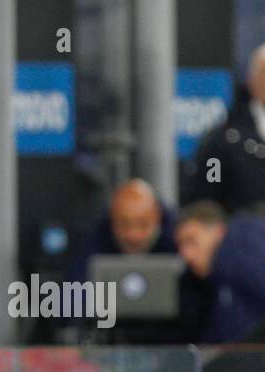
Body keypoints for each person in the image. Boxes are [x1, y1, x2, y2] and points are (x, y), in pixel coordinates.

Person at [69, 179, 211, 342]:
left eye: (142, 224)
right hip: (111, 342)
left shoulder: (180, 238)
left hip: (173, 341)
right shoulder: (93, 240)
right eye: (124, 224)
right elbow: (74, 298)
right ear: (112, 220)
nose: (133, 234)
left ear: (157, 216)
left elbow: (200, 299)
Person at [185, 44, 265, 215]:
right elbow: (207, 197)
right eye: (264, 72)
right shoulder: (220, 143)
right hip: (242, 233)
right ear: (251, 80)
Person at [174, 200, 265, 343]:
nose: (185, 254)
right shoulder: (215, 282)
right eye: (180, 245)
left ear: (219, 231)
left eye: (191, 241)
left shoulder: (244, 255)